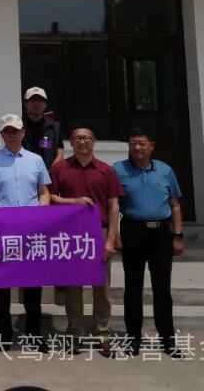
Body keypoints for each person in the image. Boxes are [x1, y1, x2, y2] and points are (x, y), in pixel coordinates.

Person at [50, 124, 122, 355]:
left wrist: (111, 239)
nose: (82, 142)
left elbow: (113, 206)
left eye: (86, 138)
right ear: (71, 142)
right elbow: (50, 197)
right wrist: (73, 201)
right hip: (70, 234)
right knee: (73, 286)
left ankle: (103, 332)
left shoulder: (106, 170)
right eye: (77, 138)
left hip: (99, 231)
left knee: (101, 286)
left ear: (94, 142)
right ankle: (75, 332)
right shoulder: (60, 168)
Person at [0, 114, 51, 349]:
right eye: (7, 131)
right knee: (1, 288)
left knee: (32, 288)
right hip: (3, 232)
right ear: (2, 134)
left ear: (23, 133)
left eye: (15, 131)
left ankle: (34, 335)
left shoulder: (35, 160)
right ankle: (4, 333)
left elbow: (43, 192)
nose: (11, 135)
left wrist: (40, 216)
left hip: (31, 232)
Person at [114, 128, 185, 357]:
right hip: (133, 230)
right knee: (133, 287)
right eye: (133, 143)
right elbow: (113, 204)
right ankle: (133, 338)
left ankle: (167, 339)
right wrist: (115, 234)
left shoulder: (165, 170)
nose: (137, 147)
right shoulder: (119, 170)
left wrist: (178, 235)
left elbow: (175, 205)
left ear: (151, 146)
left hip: (161, 233)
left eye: (142, 143)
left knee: (162, 288)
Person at [22, 87, 64, 170]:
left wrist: (50, 171)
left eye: (40, 100)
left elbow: (60, 152)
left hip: (49, 173)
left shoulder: (54, 126)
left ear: (45, 104)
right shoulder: (18, 126)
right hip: (25, 172)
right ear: (26, 104)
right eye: (33, 100)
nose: (36, 104)